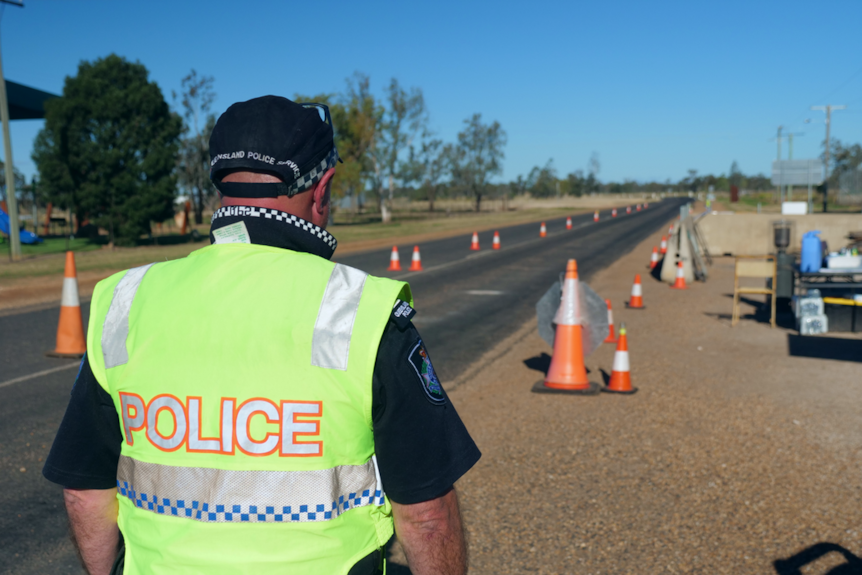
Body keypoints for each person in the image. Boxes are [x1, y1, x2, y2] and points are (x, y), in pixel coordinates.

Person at [43, 95, 481, 575]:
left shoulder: (125, 300)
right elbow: (427, 517)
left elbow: (83, 491)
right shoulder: (360, 311)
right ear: (322, 190)